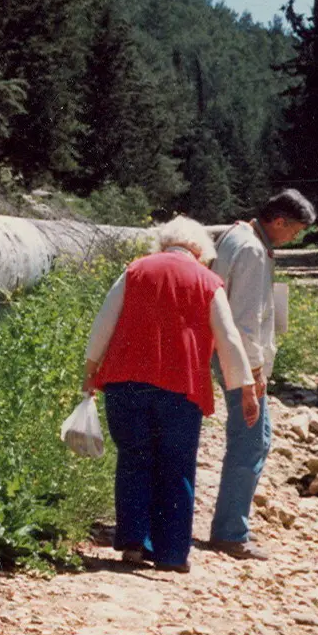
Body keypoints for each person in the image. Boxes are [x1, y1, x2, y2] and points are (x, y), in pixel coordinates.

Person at [82, 217, 256, 573]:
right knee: (176, 468)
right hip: (180, 388)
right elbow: (228, 338)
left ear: (164, 244)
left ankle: (133, 542)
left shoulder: (135, 270)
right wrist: (247, 388)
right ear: (201, 251)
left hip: (125, 383)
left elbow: (104, 321)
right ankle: (171, 555)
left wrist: (90, 369)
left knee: (134, 459)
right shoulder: (208, 281)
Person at [207, 188, 316, 559]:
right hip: (239, 360)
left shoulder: (237, 235)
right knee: (250, 440)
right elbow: (245, 321)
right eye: (295, 231)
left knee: (258, 437)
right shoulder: (253, 250)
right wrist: (253, 375)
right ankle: (230, 533)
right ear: (279, 221)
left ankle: (232, 526)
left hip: (228, 354)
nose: (294, 238)